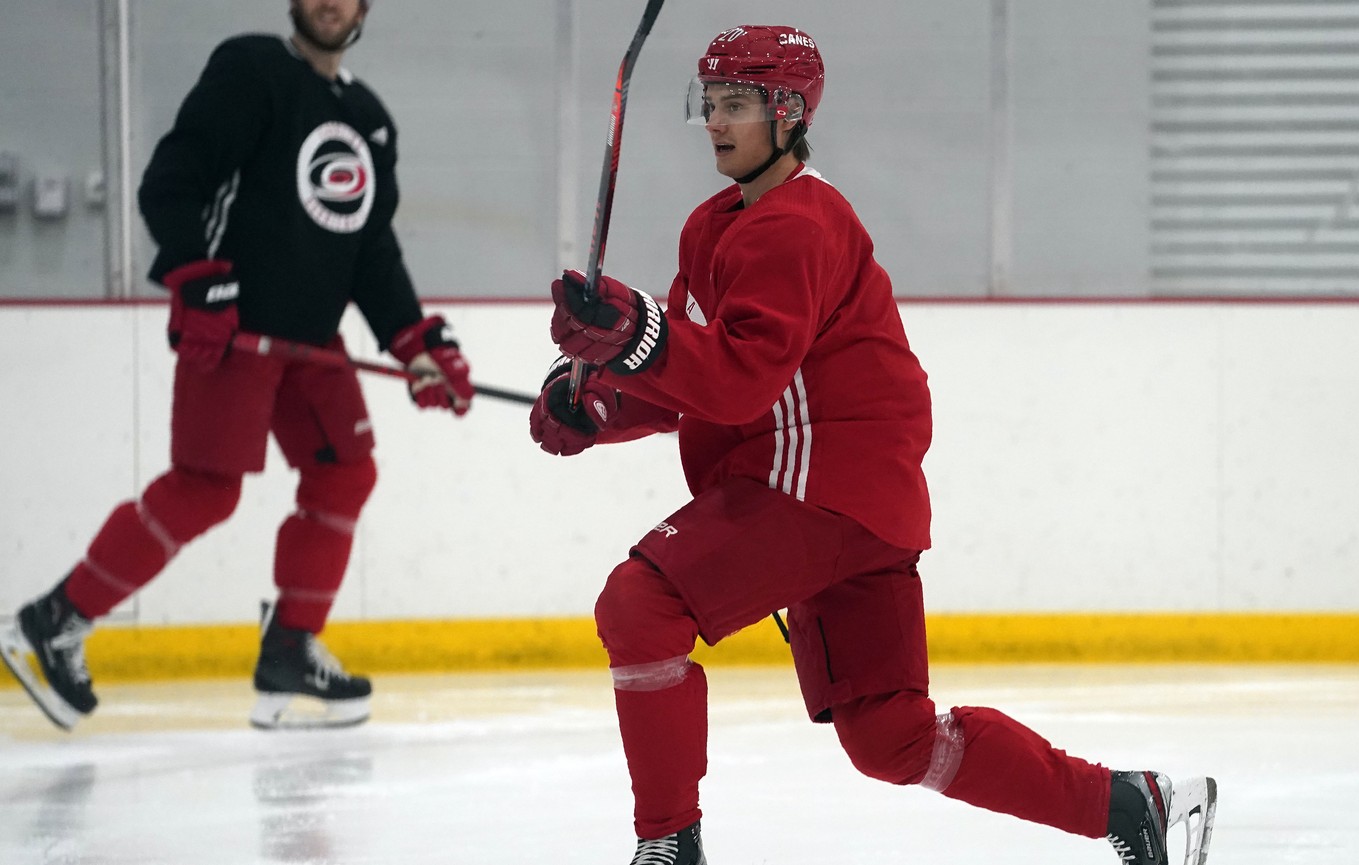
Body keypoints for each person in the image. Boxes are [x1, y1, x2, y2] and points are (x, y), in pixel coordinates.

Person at [529, 24, 1218, 865]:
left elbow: (734, 379)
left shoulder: (799, 227)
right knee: (890, 736)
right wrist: (603, 399)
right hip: (857, 504)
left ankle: (669, 845)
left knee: (640, 605)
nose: (716, 121)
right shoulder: (717, 226)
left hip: (819, 490)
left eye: (736, 104)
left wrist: (633, 341)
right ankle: (1126, 801)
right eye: (708, 103)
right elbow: (701, 378)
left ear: (788, 113)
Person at [0, 0, 474, 732]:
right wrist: (196, 274)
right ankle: (54, 619)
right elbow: (171, 181)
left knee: (346, 471)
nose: (330, 2)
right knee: (206, 489)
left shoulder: (370, 119)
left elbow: (370, 249)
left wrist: (417, 341)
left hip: (312, 344)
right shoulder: (251, 70)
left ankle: (289, 647)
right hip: (235, 332)